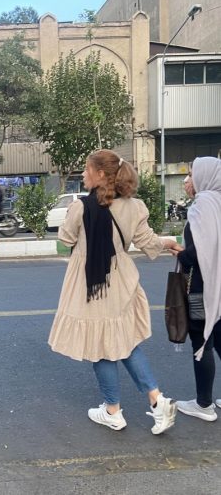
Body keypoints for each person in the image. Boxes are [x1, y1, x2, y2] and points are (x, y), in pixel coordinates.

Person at [48, 149, 179, 434]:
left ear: (100, 174)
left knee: (100, 347)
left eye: (86, 169)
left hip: (91, 284)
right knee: (125, 342)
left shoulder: (81, 207)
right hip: (122, 281)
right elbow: (147, 241)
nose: (83, 174)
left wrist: (75, 218)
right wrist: (169, 242)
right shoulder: (134, 206)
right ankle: (157, 400)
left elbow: (66, 238)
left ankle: (113, 411)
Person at [168, 156, 221, 421]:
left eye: (191, 175)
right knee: (220, 339)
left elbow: (199, 253)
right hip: (219, 284)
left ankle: (203, 405)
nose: (187, 181)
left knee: (202, 343)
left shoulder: (203, 206)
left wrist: (180, 253)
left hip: (203, 286)